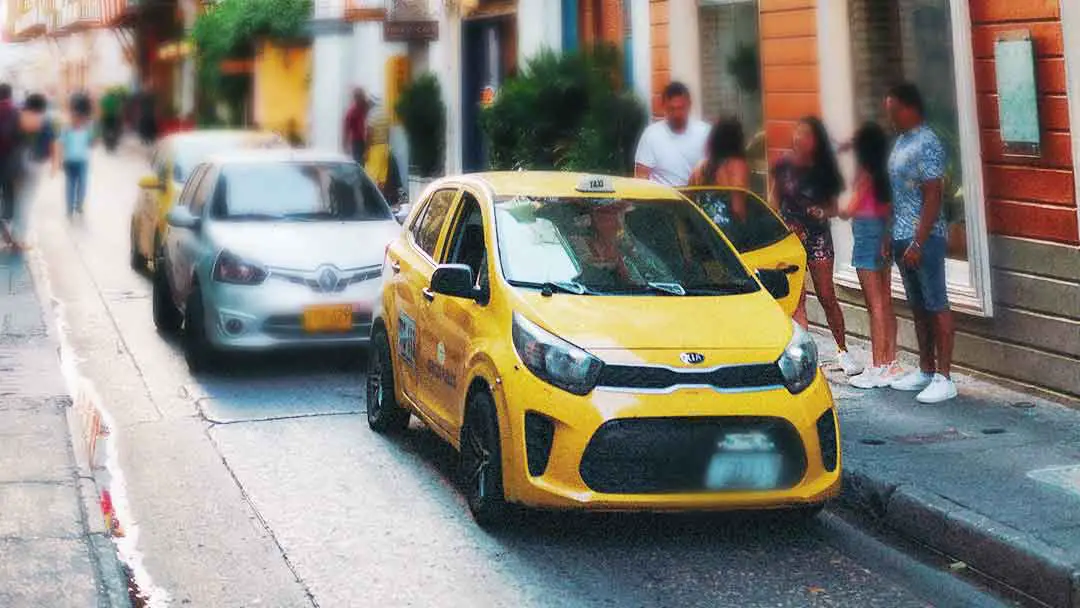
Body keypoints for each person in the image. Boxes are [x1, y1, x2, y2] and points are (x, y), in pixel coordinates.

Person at [770, 116, 860, 376]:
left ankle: (843, 351)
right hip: (790, 236)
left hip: (818, 235)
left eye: (806, 134)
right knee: (796, 299)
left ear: (816, 140)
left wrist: (823, 212)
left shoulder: (824, 170)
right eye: (798, 133)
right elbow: (773, 200)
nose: (800, 138)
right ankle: (805, 358)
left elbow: (833, 207)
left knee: (826, 295)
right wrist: (775, 225)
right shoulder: (783, 165)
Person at [885, 83, 957, 403]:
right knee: (917, 305)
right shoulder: (902, 141)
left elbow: (933, 194)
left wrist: (918, 240)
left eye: (894, 111)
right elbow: (899, 193)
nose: (891, 118)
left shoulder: (928, 142)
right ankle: (926, 368)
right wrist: (892, 234)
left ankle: (945, 375)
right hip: (902, 234)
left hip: (924, 237)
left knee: (935, 302)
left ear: (910, 108)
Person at [841, 122, 901, 389]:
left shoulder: (866, 173)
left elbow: (849, 208)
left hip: (866, 234)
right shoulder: (885, 172)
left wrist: (836, 207)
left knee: (874, 303)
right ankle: (890, 362)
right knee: (885, 301)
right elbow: (889, 208)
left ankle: (877, 366)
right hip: (882, 232)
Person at [634, 82, 710, 187]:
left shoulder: (705, 132)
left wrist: (705, 164)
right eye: (671, 109)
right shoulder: (651, 135)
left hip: (697, 198)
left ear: (689, 105)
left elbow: (722, 167)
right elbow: (641, 177)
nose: (677, 114)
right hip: (663, 200)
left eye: (681, 108)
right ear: (663, 107)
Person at [2, 94, 53, 250]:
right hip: (27, 164)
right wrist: (55, 165)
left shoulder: (14, 114)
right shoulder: (39, 119)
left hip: (10, 163)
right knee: (24, 201)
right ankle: (18, 238)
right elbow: (52, 142)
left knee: (11, 198)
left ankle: (8, 232)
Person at [689, 116, 750, 222]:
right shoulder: (737, 166)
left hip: (704, 225)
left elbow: (689, 197)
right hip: (726, 227)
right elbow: (737, 207)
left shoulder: (701, 166)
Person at [56, 95, 95, 217]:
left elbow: (92, 143)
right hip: (69, 161)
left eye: (80, 117)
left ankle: (79, 206)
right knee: (70, 185)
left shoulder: (86, 129)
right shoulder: (66, 129)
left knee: (82, 185)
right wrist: (59, 160)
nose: (77, 119)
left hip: (82, 161)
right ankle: (70, 208)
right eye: (75, 117)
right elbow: (60, 144)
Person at [0, 83, 20, 231]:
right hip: (10, 158)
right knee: (9, 191)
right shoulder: (16, 112)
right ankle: (7, 221)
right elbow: (22, 138)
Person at [343, 88, 371, 165]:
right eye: (357, 97)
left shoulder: (367, 108)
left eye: (361, 96)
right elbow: (346, 130)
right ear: (355, 98)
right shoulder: (352, 112)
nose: (359, 99)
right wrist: (345, 146)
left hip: (370, 140)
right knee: (359, 162)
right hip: (357, 141)